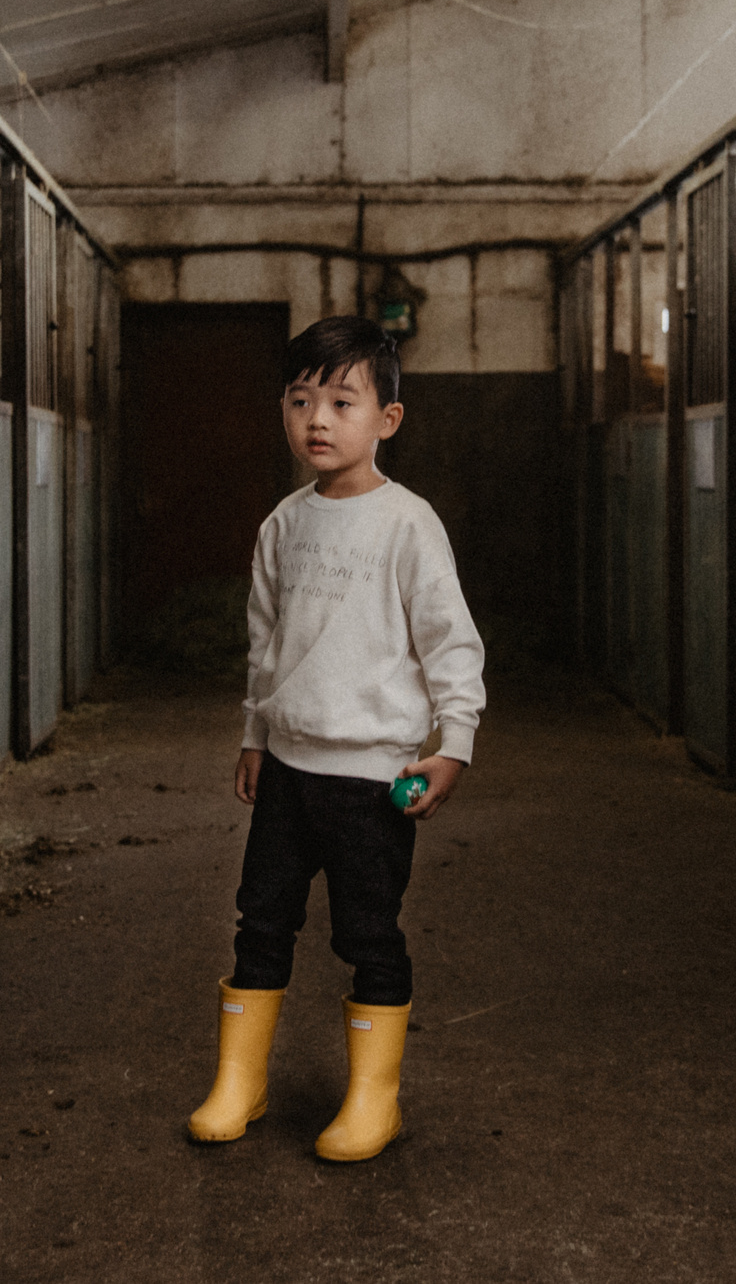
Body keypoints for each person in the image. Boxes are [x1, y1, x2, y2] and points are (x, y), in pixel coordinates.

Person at [185, 315, 486, 1162]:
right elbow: (267, 643)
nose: (318, 419)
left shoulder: (408, 525)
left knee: (368, 934)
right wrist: (255, 732)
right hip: (287, 770)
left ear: (388, 417)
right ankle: (239, 1082)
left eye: (342, 401)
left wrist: (454, 740)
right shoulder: (283, 525)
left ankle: (373, 1098)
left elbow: (451, 641)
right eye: (300, 399)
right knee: (260, 922)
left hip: (374, 778)